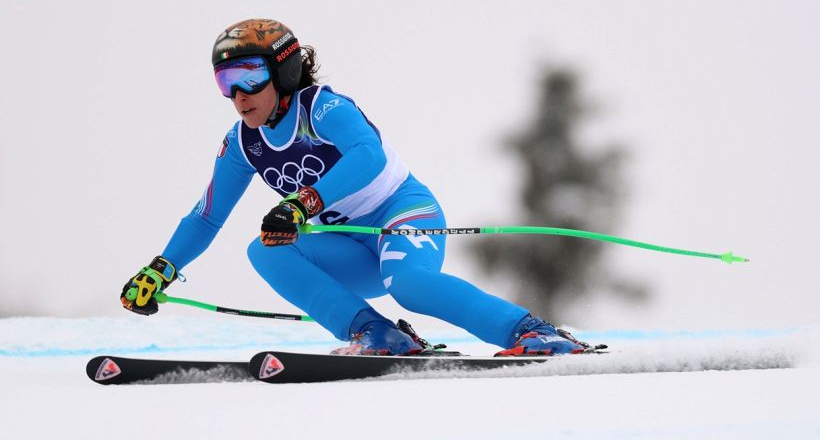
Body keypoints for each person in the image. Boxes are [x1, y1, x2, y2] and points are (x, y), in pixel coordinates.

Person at [120, 18, 588, 357]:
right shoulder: (242, 143)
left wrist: (304, 202)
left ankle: (533, 332)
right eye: (225, 81)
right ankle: (377, 334)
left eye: (249, 77)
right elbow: (206, 216)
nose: (238, 94)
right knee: (265, 250)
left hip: (402, 214)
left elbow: (369, 155)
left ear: (282, 72)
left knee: (409, 285)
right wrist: (162, 268)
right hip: (349, 243)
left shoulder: (323, 108)